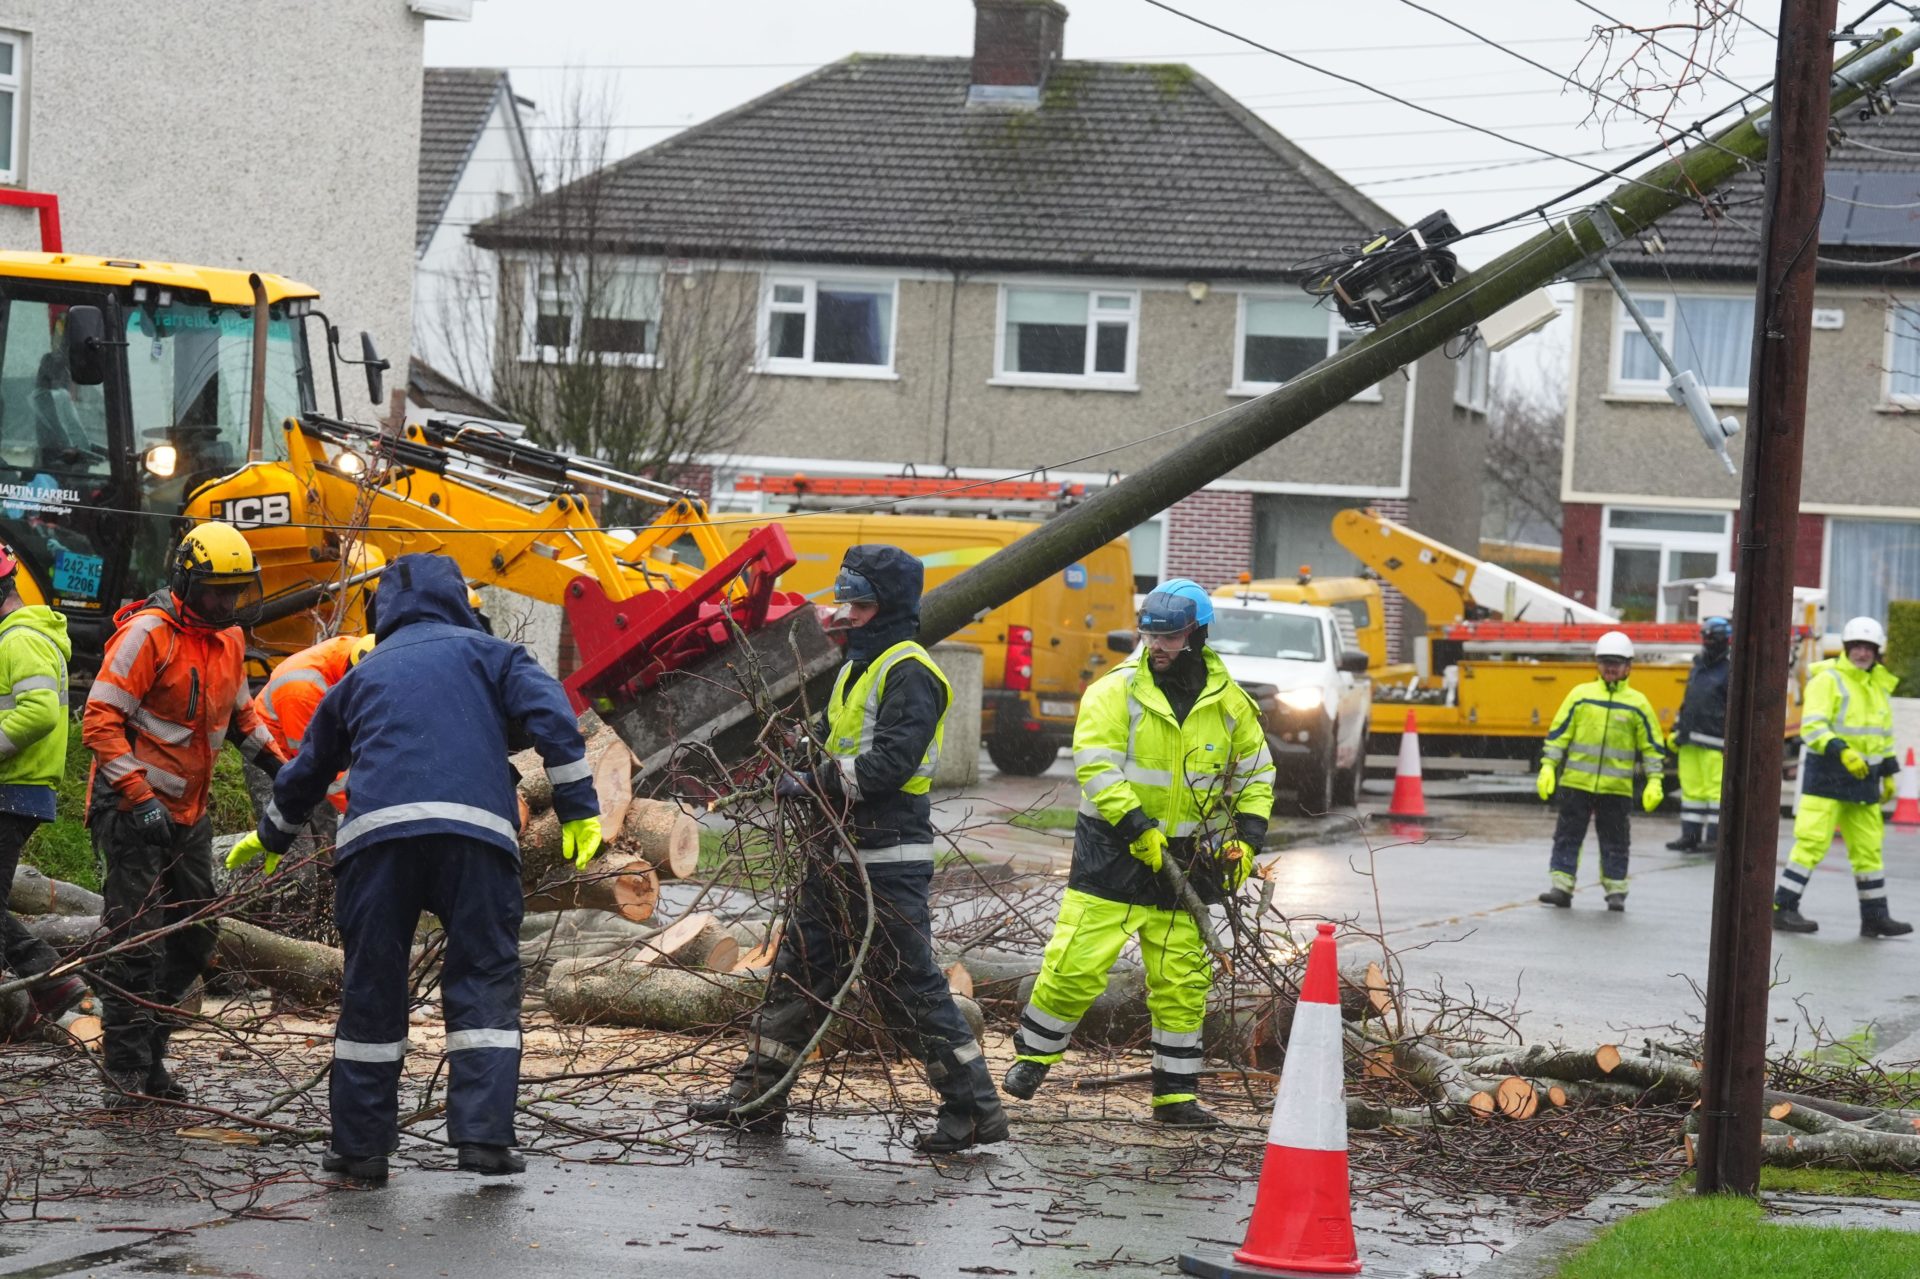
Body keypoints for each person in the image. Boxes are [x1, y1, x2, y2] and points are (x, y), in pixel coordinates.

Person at [228, 553, 600, 1182]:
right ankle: (483, 1139)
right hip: (476, 839)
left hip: (377, 844)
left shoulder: (362, 674)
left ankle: (361, 1149)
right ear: (461, 601)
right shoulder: (494, 657)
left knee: (371, 987)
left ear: (381, 614)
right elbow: (555, 723)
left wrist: (272, 835)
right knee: (483, 979)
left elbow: (308, 767)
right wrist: (579, 810)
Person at [687, 545, 1006, 1153]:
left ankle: (973, 1109)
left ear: (887, 607)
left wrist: (814, 781)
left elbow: (887, 765)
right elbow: (837, 743)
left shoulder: (910, 671)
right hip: (835, 856)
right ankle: (756, 1099)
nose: (846, 613)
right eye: (845, 601)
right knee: (799, 975)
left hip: (884, 859)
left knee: (906, 984)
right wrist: (795, 752)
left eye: (858, 603)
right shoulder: (858, 669)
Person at [1003, 579, 1274, 1127]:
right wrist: (1135, 824)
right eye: (1152, 635)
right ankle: (1033, 1057)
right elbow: (1097, 764)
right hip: (1115, 852)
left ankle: (1175, 1096)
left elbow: (1256, 774)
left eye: (1171, 637)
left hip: (1192, 862)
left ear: (1198, 634)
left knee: (1183, 981)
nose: (1159, 646)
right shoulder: (1115, 691)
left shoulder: (1231, 705)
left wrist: (1246, 838)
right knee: (1075, 965)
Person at [81, 522, 286, 1106]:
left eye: (234, 591)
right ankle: (123, 1070)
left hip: (189, 812)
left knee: (196, 935)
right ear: (186, 581)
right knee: (136, 940)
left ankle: (152, 1057)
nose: (225, 602)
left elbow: (243, 721)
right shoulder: (149, 634)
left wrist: (282, 768)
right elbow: (99, 719)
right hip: (130, 807)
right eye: (215, 591)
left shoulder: (229, 640)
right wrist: (139, 796)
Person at [1773, 616, 1910, 937]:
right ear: (1847, 648)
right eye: (1857, 647)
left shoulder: (1877, 684)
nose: (1862, 653)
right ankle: (1783, 908)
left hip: (1864, 781)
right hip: (1827, 777)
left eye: (1868, 648)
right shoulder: (1828, 680)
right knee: (1811, 844)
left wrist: (1889, 773)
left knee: (1868, 849)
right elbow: (1814, 726)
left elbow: (1882, 736)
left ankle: (1875, 917)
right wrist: (1843, 751)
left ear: (1877, 653)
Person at [0, 543, 86, 1023]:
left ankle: (52, 985)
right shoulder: (18, 636)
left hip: (15, 786)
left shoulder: (20, 640)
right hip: (16, 785)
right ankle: (54, 986)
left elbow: (35, 713)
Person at [1535, 630, 1666, 912]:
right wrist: (1548, 765)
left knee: (1616, 841)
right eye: (1605, 662)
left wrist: (1655, 779)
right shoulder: (1580, 696)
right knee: (1568, 836)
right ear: (1597, 663)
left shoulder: (1638, 703)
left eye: (1616, 663)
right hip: (1577, 784)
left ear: (1628, 666)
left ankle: (1616, 891)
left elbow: (1652, 746)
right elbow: (1559, 734)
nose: (1610, 668)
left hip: (1616, 789)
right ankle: (1561, 887)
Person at [1667, 616, 1731, 855]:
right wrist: (1677, 728)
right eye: (1706, 636)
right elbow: (1689, 700)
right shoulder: (1699, 666)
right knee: (1692, 791)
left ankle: (1715, 838)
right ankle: (1690, 836)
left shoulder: (1729, 668)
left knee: (1715, 792)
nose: (1708, 641)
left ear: (1725, 639)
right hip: (1690, 739)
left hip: (1715, 741)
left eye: (1712, 637)